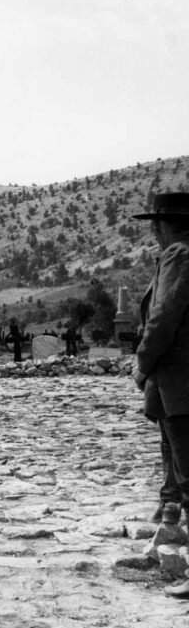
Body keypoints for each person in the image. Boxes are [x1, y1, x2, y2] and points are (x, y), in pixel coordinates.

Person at [131, 192, 189, 598]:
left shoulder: (179, 255)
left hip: (180, 379)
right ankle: (171, 520)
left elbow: (163, 316)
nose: (152, 231)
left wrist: (143, 360)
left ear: (167, 225)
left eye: (155, 223)